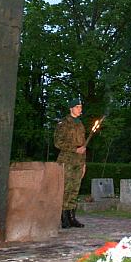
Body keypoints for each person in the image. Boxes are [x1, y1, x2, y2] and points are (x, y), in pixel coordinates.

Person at [54, 96, 86, 229]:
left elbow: (83, 145)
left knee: (74, 189)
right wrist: (74, 149)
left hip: (78, 161)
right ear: (71, 108)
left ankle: (72, 217)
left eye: (81, 107)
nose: (80, 110)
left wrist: (84, 163)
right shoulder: (64, 123)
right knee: (65, 189)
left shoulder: (80, 124)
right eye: (78, 107)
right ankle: (63, 217)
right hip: (67, 160)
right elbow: (58, 142)